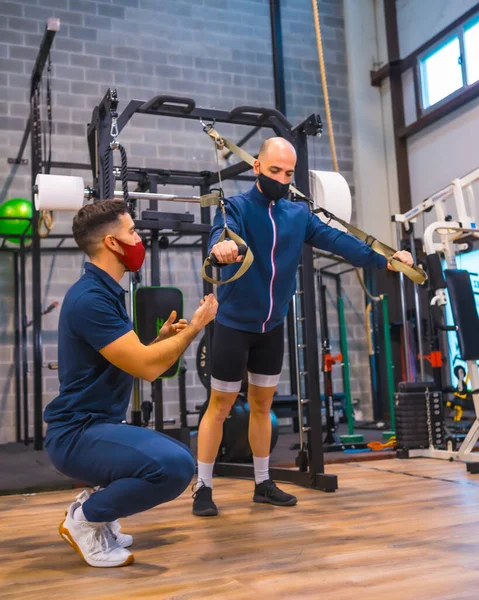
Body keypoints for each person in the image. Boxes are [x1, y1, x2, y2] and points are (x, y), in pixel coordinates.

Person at [192, 137, 413, 517]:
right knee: (220, 406)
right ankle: (203, 487)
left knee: (262, 405)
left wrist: (386, 259)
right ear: (256, 167)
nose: (281, 178)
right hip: (232, 324)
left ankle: (262, 483)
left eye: (288, 173)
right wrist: (220, 249)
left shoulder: (299, 216)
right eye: (274, 170)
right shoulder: (236, 207)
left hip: (271, 326)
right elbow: (220, 235)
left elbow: (340, 241)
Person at [44, 199, 218, 568]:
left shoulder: (105, 291)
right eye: (133, 232)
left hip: (96, 426)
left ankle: (95, 513)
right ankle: (85, 519)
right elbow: (147, 369)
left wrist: (159, 342)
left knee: (170, 460)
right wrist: (197, 327)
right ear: (111, 243)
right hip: (77, 434)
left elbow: (131, 360)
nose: (138, 239)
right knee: (175, 466)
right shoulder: (91, 299)